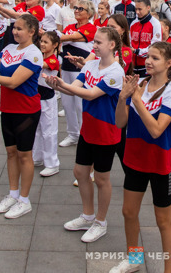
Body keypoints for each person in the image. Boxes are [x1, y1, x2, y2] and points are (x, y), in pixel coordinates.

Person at [47, 26, 126, 243]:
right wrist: (56, 85)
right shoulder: (90, 64)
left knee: (102, 178)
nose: (94, 46)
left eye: (99, 43)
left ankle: (101, 221)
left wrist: (63, 85)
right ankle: (87, 215)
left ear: (112, 45)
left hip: (106, 131)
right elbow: (75, 87)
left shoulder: (115, 72)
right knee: (80, 172)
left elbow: (91, 94)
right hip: (88, 128)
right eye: (94, 42)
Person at [111, 42, 171, 273]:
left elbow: (157, 130)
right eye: (148, 56)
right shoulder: (138, 85)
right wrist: (123, 98)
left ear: (168, 63)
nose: (148, 61)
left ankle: (168, 270)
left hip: (160, 163)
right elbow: (121, 122)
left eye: (155, 58)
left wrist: (137, 100)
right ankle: (134, 259)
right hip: (135, 158)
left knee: (163, 221)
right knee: (128, 212)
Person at [0, 14, 44, 219]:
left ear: (32, 32)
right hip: (7, 108)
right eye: (14, 28)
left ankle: (24, 199)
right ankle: (13, 194)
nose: (15, 32)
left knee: (25, 154)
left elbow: (13, 82)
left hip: (26, 110)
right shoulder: (7, 49)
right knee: (11, 153)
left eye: (20, 29)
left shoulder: (34, 54)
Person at [58, 0, 97, 147]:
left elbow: (69, 37)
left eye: (81, 9)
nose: (76, 10)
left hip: (81, 70)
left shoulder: (91, 28)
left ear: (89, 13)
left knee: (80, 105)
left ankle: (84, 134)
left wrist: (55, 36)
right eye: (76, 8)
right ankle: (72, 134)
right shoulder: (69, 26)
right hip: (67, 68)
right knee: (67, 104)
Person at [33, 30, 62, 177]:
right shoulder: (40, 56)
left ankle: (52, 163)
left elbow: (39, 65)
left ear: (55, 45)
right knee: (37, 130)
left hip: (47, 99)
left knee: (49, 131)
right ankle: (37, 157)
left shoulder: (53, 61)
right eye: (41, 41)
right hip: (37, 98)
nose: (42, 44)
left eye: (46, 42)